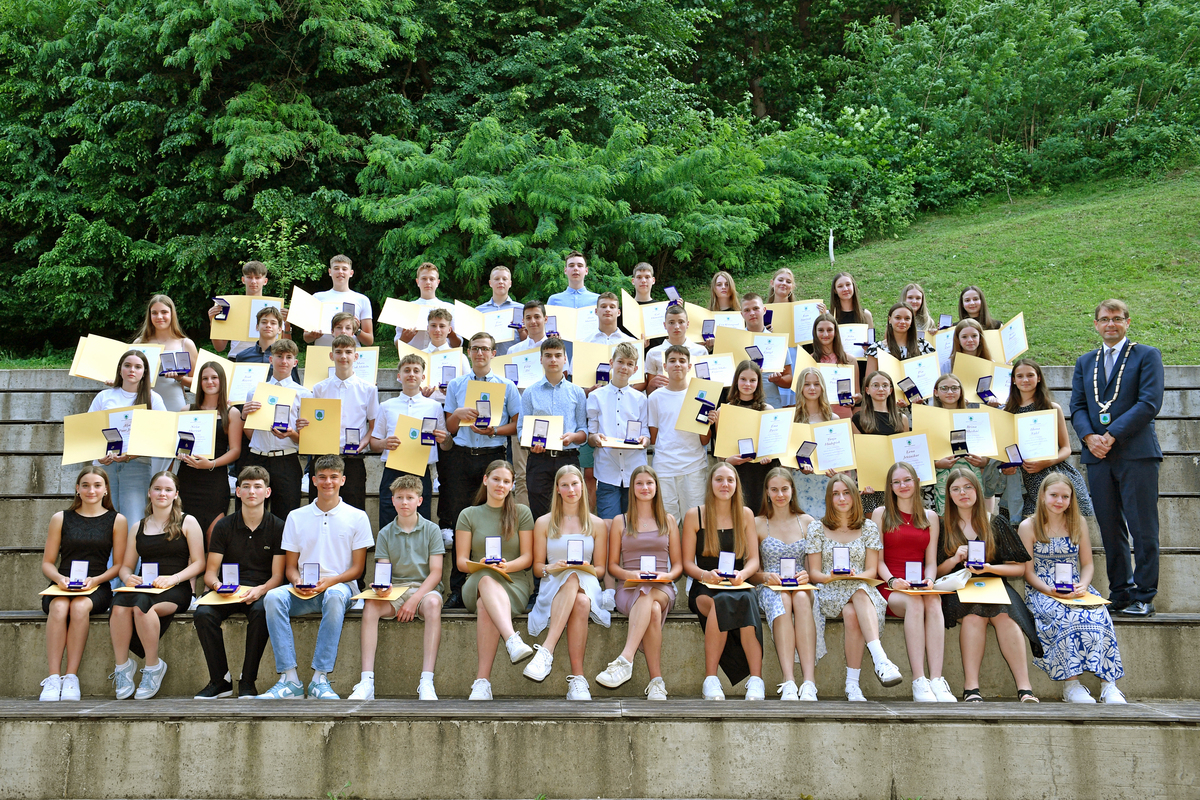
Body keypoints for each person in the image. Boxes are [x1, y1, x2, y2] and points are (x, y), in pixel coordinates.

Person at [1069, 300, 1163, 616]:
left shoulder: (1146, 356)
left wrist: (1113, 434)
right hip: (1098, 457)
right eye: (1105, 319)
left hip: (1136, 454)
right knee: (1110, 529)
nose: (1111, 323)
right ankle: (1120, 592)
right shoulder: (1085, 362)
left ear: (1127, 322)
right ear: (1095, 324)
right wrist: (1088, 437)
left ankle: (1144, 596)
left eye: (1117, 318)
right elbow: (1078, 406)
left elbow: (1149, 402)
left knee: (1142, 527)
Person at [258, 455, 373, 699]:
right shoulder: (296, 516)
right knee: (273, 598)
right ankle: (290, 680)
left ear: (342, 480)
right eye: (322, 477)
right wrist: (297, 581)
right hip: (303, 591)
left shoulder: (357, 516)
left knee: (333, 595)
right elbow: (290, 567)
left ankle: (320, 679)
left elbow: (358, 569)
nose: (327, 482)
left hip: (340, 589)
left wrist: (330, 581)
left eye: (333, 477)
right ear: (313, 480)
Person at [1018, 474, 1127, 704]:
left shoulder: (1078, 523)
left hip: (1075, 586)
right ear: (1043, 496)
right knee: (1066, 616)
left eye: (1065, 496)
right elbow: (1028, 573)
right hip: (1043, 589)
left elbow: (1087, 564)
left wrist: (1084, 584)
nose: (1059, 501)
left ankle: (1109, 685)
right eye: (1054, 495)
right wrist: (1050, 590)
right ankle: (1071, 684)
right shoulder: (1028, 526)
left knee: (1099, 613)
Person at [936, 467, 1042, 702]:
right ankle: (971, 687)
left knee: (1006, 616)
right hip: (959, 588)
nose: (963, 493)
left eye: (968, 487)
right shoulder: (943, 527)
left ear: (977, 489)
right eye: (956, 489)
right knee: (975, 616)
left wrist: (990, 568)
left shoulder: (995, 523)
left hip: (994, 585)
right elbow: (934, 572)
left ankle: (1025, 688)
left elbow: (1019, 568)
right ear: (949, 495)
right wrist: (954, 558)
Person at [441, 332, 522, 607]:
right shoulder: (456, 384)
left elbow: (517, 425)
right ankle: (457, 587)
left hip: (492, 456)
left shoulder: (507, 386)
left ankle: (497, 577)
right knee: (459, 519)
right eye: (475, 349)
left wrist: (495, 430)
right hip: (462, 457)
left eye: (485, 349)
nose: (479, 354)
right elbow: (450, 428)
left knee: (494, 519)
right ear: (468, 351)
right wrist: (458, 415)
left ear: (493, 353)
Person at [348, 475, 445, 702]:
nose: (404, 502)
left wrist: (414, 600)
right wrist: (381, 588)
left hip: (424, 590)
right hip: (396, 591)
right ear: (392, 501)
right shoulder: (385, 533)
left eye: (409, 498)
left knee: (432, 604)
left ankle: (427, 681)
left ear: (419, 501)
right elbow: (383, 571)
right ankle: (366, 681)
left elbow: (436, 573)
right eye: (399, 497)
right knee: (371, 604)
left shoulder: (431, 530)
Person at [805, 474, 903, 701]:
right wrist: (831, 577)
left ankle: (852, 685)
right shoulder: (816, 528)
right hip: (829, 591)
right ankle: (881, 659)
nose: (841, 498)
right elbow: (814, 574)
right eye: (835, 494)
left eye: (846, 492)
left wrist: (855, 575)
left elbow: (871, 571)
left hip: (860, 588)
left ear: (854, 496)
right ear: (829, 498)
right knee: (858, 592)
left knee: (852, 613)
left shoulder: (868, 527)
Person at [109, 471, 206, 700]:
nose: (162, 493)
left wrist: (174, 578)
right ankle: (122, 667)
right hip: (146, 586)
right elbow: (125, 566)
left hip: (176, 587)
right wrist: (127, 577)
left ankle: (153, 667)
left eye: (168, 490)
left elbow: (200, 562)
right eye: (158, 489)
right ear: (149, 493)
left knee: (142, 607)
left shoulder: (187, 521)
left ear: (176, 494)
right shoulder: (138, 526)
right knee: (119, 604)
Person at [192, 466, 285, 699]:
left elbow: (277, 576)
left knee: (263, 611)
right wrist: (218, 587)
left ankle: (248, 680)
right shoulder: (224, 526)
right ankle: (219, 680)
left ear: (268, 492)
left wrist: (260, 590)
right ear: (238, 492)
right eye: (246, 486)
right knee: (203, 614)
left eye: (257, 486)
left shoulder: (278, 526)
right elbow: (210, 573)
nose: (252, 491)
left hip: (260, 590)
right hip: (228, 590)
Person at [39, 467, 127, 701]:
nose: (91, 490)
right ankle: (53, 678)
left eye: (97, 485)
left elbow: (119, 565)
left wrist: (96, 580)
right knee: (59, 606)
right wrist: (59, 579)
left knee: (79, 606)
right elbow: (47, 563)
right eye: (85, 485)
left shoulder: (117, 520)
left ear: (106, 489)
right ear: (77, 489)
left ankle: (71, 678)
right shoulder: (60, 518)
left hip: (96, 585)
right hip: (61, 584)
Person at [872, 462, 956, 702]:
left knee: (933, 600)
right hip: (890, 585)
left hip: (919, 584)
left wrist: (930, 579)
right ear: (890, 487)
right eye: (896, 482)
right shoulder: (881, 514)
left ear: (916, 482)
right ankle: (919, 680)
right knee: (916, 604)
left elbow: (930, 561)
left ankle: (937, 680)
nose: (902, 485)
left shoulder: (930, 517)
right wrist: (891, 579)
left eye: (907, 480)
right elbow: (877, 560)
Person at [595, 466, 682, 699]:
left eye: (649, 483)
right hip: (629, 587)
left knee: (651, 595)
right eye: (639, 483)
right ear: (632, 488)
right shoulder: (620, 521)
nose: (645, 488)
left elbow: (678, 565)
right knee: (651, 607)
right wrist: (631, 575)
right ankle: (656, 682)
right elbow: (612, 565)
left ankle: (625, 660)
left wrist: (666, 577)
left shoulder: (669, 520)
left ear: (656, 487)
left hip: (662, 586)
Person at [524, 466, 611, 699]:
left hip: (587, 581)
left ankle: (547, 650)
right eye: (565, 485)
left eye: (575, 484)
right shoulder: (543, 522)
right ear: (558, 489)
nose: (571, 489)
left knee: (575, 577)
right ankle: (578, 679)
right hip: (553, 583)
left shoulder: (597, 524)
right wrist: (551, 567)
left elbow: (601, 569)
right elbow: (537, 567)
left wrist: (583, 566)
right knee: (580, 602)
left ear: (582, 486)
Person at [682, 464, 764, 701]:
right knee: (720, 604)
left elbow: (753, 561)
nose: (725, 485)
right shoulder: (694, 515)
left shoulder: (746, 514)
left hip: (737, 585)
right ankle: (711, 680)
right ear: (710, 484)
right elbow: (688, 563)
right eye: (719, 479)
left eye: (730, 480)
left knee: (746, 600)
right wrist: (704, 575)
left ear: (737, 485)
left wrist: (743, 575)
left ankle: (756, 681)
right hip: (705, 586)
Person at [456, 461, 536, 700]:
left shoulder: (521, 513)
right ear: (485, 480)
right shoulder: (468, 514)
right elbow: (461, 562)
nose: (500, 485)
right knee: (486, 580)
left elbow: (528, 557)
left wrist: (506, 566)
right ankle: (511, 638)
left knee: (485, 605)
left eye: (506, 481)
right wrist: (483, 565)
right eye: (496, 479)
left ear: (512, 485)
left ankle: (482, 682)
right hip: (477, 580)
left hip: (513, 583)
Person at [752, 468, 822, 701]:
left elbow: (815, 569)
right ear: (767, 493)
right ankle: (789, 680)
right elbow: (751, 572)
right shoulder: (757, 523)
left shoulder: (807, 522)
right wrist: (765, 578)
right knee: (782, 599)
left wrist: (808, 576)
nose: (780, 494)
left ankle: (809, 682)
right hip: (770, 587)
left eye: (784, 489)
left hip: (801, 586)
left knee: (801, 598)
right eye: (774, 489)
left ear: (792, 491)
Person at [1005, 358, 1094, 519]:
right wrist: (1007, 466)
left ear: (1039, 378)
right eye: (1020, 376)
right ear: (1013, 380)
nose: (1025, 380)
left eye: (1030, 375)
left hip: (1053, 470)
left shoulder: (1052, 408)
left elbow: (1066, 448)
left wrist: (1046, 462)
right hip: (1022, 478)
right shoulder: (1007, 413)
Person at [299, 335, 379, 511]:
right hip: (324, 458)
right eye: (339, 352)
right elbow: (316, 423)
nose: (344, 356)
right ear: (331, 355)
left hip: (352, 460)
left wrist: (362, 444)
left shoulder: (368, 389)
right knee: (319, 508)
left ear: (356, 356)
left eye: (349, 352)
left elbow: (373, 427)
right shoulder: (320, 388)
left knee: (354, 508)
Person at [370, 354, 452, 526]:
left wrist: (444, 439)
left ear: (423, 377)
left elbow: (446, 445)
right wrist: (384, 443)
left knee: (421, 521)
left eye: (416, 371)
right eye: (406, 370)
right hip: (392, 469)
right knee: (388, 517)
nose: (411, 374)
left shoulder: (434, 406)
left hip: (421, 470)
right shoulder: (386, 406)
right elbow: (374, 443)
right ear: (399, 376)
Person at [89, 350, 168, 528]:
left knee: (133, 523)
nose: (132, 370)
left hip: (137, 467)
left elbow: (162, 436)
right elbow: (89, 431)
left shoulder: (153, 399)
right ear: (120, 369)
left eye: (138, 367)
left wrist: (131, 455)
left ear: (144, 372)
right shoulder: (104, 396)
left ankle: (135, 558)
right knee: (106, 523)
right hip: (105, 467)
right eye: (127, 365)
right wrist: (98, 455)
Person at [239, 339, 310, 519]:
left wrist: (292, 433)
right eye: (279, 356)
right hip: (257, 457)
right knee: (252, 515)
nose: (283, 361)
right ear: (271, 359)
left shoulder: (304, 394)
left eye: (288, 357)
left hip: (286, 460)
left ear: (295, 362)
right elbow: (250, 434)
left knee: (286, 515)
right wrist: (244, 416)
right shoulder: (255, 391)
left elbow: (307, 439)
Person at [521, 337, 588, 522]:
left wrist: (573, 436)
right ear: (540, 359)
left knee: (571, 513)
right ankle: (543, 551)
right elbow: (521, 429)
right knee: (540, 516)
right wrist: (530, 444)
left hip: (568, 458)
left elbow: (583, 430)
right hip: (538, 459)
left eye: (558, 355)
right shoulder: (530, 393)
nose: (553, 360)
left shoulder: (577, 392)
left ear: (565, 359)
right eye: (548, 355)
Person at [176, 362, 243, 543]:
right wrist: (180, 453)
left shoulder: (232, 413)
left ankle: (211, 571)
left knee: (213, 535)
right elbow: (178, 444)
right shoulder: (186, 410)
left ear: (222, 381)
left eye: (214, 377)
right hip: (188, 478)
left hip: (215, 478)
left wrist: (211, 464)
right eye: (205, 378)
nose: (210, 382)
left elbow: (236, 450)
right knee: (186, 533)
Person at [647, 345, 712, 523]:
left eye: (682, 361)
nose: (677, 365)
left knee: (696, 521)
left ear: (690, 366)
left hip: (694, 466)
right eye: (672, 361)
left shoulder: (700, 396)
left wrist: (708, 423)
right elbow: (654, 437)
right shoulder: (654, 398)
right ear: (664, 366)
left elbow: (704, 440)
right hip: (664, 467)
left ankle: (693, 553)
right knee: (668, 521)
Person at [587, 342, 649, 520]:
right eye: (621, 362)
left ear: (635, 369)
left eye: (630, 364)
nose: (624, 367)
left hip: (634, 472)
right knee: (609, 525)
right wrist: (595, 438)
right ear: (611, 363)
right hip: (607, 472)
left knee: (633, 526)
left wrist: (644, 441)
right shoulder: (595, 396)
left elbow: (645, 432)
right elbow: (591, 436)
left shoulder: (640, 399)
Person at [708, 360, 776, 514]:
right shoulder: (723, 410)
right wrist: (728, 461)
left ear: (758, 383)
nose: (747, 384)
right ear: (736, 380)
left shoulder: (768, 410)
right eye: (743, 379)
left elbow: (773, 448)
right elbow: (720, 454)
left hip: (761, 473)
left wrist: (769, 457)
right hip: (737, 473)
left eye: (753, 380)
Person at [927, 373, 998, 515]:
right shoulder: (928, 418)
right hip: (942, 475)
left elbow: (986, 447)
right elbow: (920, 453)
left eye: (954, 388)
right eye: (944, 388)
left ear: (961, 391)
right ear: (935, 392)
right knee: (946, 516)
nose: (950, 392)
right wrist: (936, 464)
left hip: (971, 471)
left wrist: (983, 461)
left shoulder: (974, 417)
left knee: (974, 515)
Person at [791, 367, 855, 518]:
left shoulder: (833, 419)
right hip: (800, 481)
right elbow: (786, 457)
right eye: (807, 384)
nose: (812, 388)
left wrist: (839, 472)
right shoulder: (792, 419)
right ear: (800, 387)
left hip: (827, 481)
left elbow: (842, 457)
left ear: (822, 387)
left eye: (816, 384)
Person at [852, 370, 910, 513]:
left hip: (897, 481)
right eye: (875, 385)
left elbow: (907, 453)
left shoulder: (901, 418)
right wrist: (864, 479)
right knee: (873, 524)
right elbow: (858, 454)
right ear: (867, 390)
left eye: (885, 385)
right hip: (871, 482)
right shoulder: (858, 418)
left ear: (890, 390)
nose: (881, 389)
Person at [133, 294, 199, 411]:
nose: (159, 316)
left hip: (175, 405)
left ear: (172, 314)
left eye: (164, 312)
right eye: (154, 313)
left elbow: (199, 382)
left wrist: (180, 379)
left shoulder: (186, 344)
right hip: (145, 405)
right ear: (149, 315)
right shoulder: (139, 344)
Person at [208, 260, 280, 359]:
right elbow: (219, 347)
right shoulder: (230, 305)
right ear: (243, 279)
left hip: (265, 358)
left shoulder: (275, 307)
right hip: (236, 357)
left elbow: (283, 342)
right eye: (249, 277)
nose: (253, 281)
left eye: (258, 277)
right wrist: (213, 321)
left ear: (265, 281)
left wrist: (288, 325)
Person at [304, 254, 374, 347]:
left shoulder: (362, 300)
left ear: (351, 273)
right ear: (330, 272)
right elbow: (306, 337)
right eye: (336, 268)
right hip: (322, 354)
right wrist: (313, 335)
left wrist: (357, 330)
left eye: (344, 269)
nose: (340, 272)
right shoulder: (317, 298)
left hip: (350, 356)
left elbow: (369, 341)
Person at [739, 293, 791, 409]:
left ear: (764, 310)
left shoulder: (777, 341)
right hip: (741, 407)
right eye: (747, 310)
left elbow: (789, 379)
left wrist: (778, 380)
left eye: (756, 308)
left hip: (771, 405)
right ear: (741, 314)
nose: (752, 313)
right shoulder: (735, 341)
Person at [642, 304, 707, 395]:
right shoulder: (653, 353)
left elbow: (706, 384)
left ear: (687, 324)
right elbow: (650, 392)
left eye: (681, 322)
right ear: (665, 325)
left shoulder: (701, 351)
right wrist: (652, 385)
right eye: (671, 322)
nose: (677, 327)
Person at [395, 262, 458, 351]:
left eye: (432, 279)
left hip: (441, 358)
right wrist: (404, 339)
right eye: (424, 278)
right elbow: (397, 344)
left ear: (437, 282)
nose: (428, 282)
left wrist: (449, 333)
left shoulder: (451, 309)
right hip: (413, 359)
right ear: (417, 282)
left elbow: (457, 344)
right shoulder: (407, 308)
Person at [865, 303, 934, 375]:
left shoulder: (924, 346)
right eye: (898, 318)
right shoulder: (876, 349)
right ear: (890, 319)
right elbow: (870, 382)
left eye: (907, 318)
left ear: (911, 322)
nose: (902, 322)